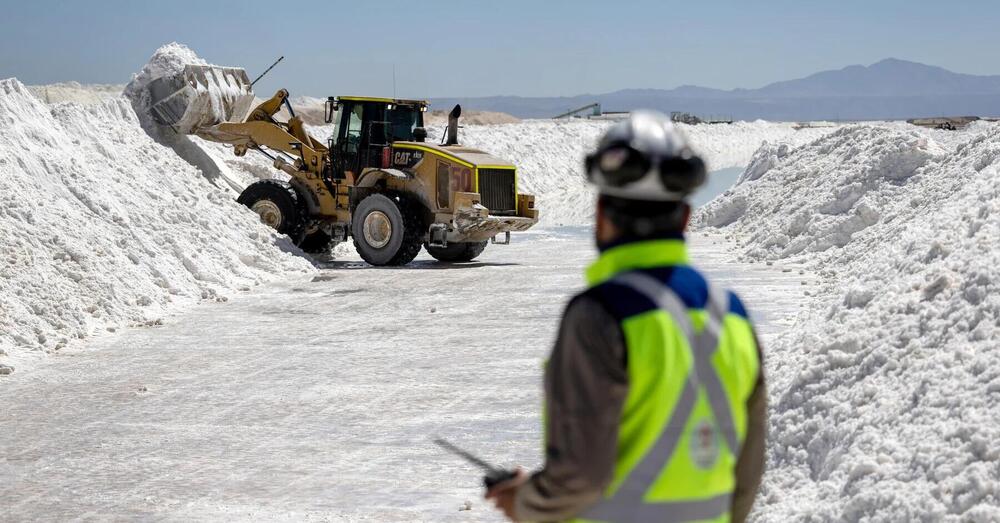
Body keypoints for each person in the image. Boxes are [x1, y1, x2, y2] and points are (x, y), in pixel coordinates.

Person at [486, 111, 767, 523]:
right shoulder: (734, 316)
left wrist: (524, 502)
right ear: (685, 218)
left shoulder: (599, 317)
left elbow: (581, 479)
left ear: (600, 217)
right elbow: (746, 476)